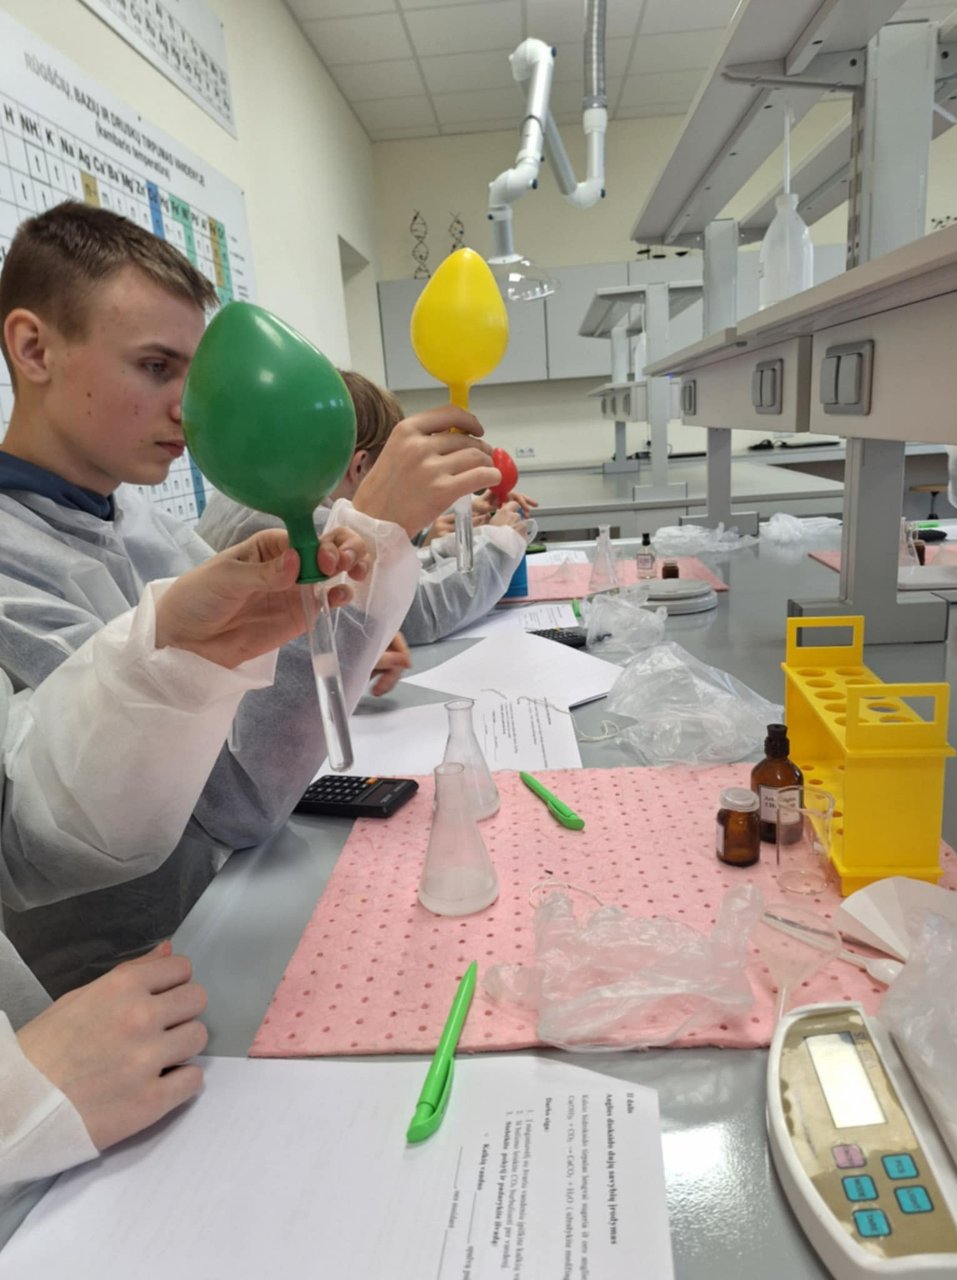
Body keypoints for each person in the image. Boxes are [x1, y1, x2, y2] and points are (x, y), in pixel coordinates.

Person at [0, 201, 500, 996]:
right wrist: (370, 530)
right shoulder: (17, 566)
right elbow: (232, 798)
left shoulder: (140, 523)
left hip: (226, 913)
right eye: (155, 367)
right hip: (118, 993)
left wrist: (334, 626)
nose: (186, 407)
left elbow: (244, 720)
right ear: (33, 348)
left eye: (192, 375)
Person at [0, 525, 366, 1201]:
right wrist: (12, 1106)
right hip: (66, 1091)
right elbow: (236, 801)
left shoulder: (136, 519)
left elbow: (27, 832)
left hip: (103, 1065)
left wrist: (173, 666)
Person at [198, 371, 537, 644]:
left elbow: (385, 575)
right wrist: (501, 541)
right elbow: (416, 614)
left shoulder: (251, 493)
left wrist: (443, 539)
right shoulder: (297, 523)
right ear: (360, 467)